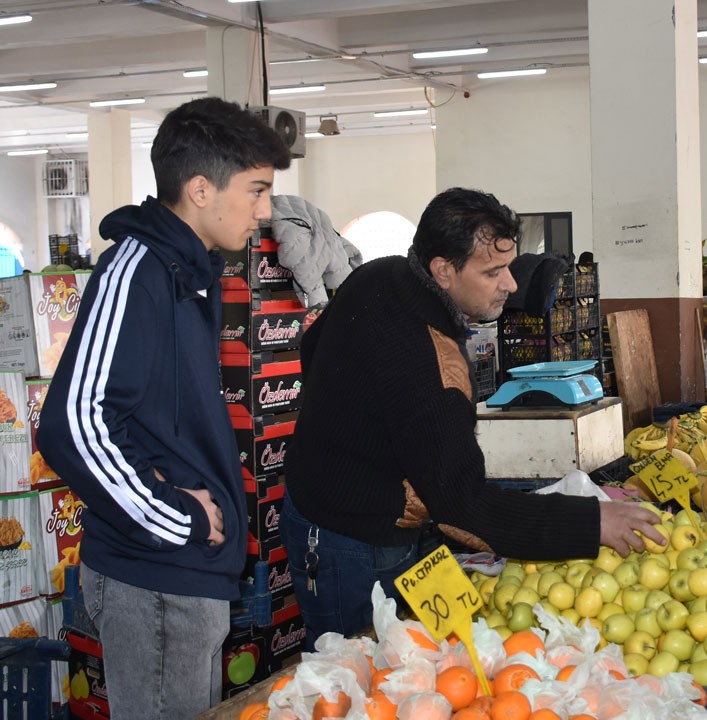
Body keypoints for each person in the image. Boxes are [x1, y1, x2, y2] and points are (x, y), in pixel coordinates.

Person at [281, 187, 664, 644]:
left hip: (339, 507)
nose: (511, 284)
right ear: (443, 270)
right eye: (494, 271)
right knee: (357, 674)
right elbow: (463, 505)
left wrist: (361, 429)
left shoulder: (380, 274)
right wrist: (593, 523)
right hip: (350, 540)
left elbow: (311, 350)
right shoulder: (432, 368)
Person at [39, 98, 292, 718]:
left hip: (182, 576)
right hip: (154, 577)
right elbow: (73, 424)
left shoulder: (184, 272)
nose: (265, 212)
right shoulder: (136, 271)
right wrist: (176, 517)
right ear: (201, 189)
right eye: (256, 191)